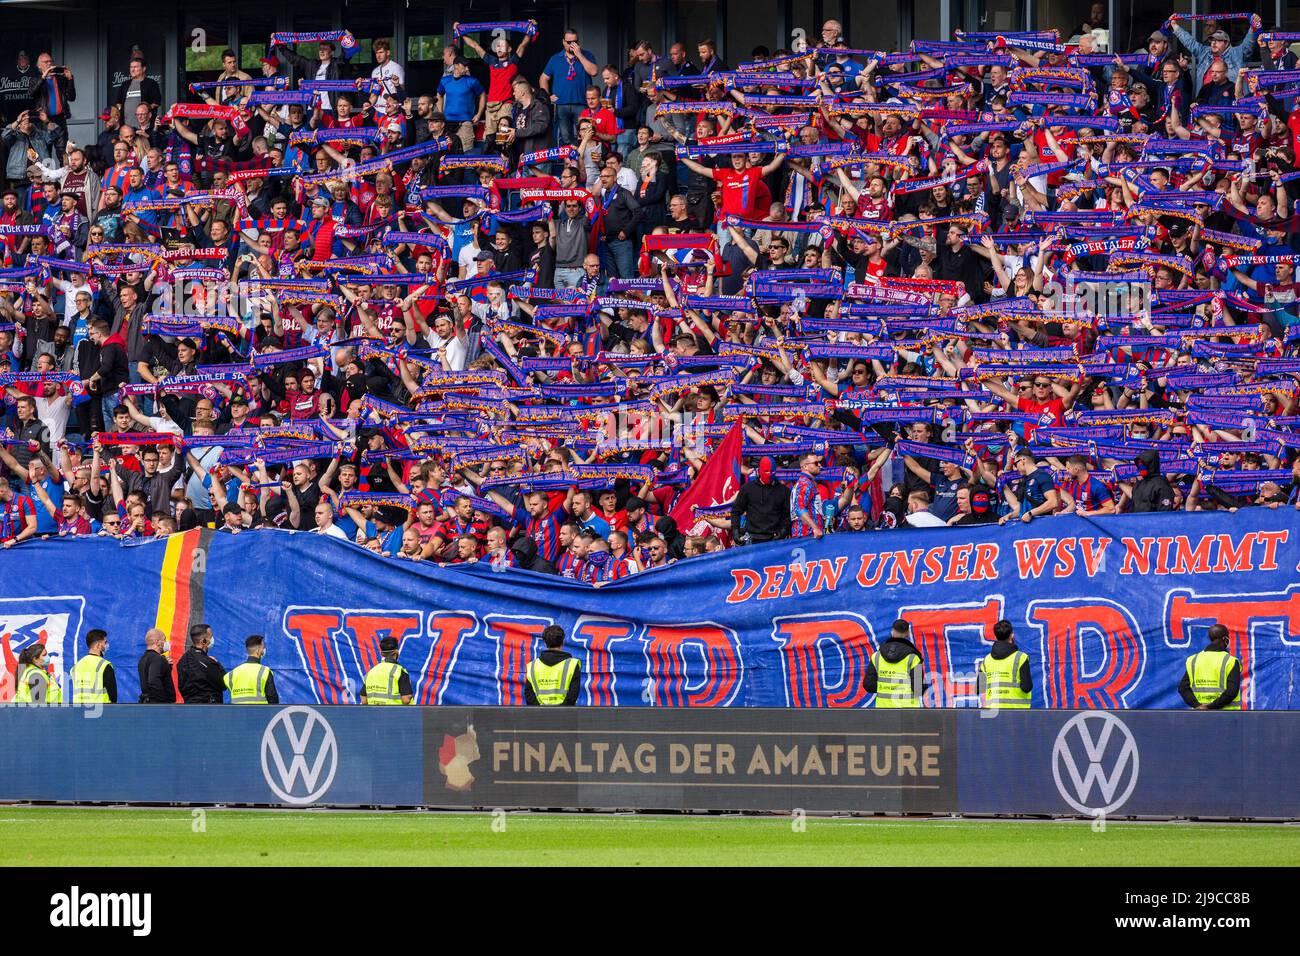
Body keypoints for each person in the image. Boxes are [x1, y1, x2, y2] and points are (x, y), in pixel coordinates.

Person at [863, 620, 927, 708]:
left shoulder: (877, 656)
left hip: (883, 710)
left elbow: (869, 685)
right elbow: (918, 689)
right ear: (907, 633)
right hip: (908, 710)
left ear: (892, 631)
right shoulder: (913, 658)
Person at [1179, 624, 1242, 710]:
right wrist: (1210, 707)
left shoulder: (1194, 660)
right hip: (1227, 716)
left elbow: (1183, 688)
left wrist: (1198, 706)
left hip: (1200, 716)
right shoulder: (1230, 661)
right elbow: (1231, 692)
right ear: (1225, 638)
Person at [730, 456, 791, 543]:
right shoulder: (747, 489)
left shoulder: (784, 491)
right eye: (766, 471)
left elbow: (788, 515)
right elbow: (736, 511)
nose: (769, 474)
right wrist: (735, 531)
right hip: (752, 537)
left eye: (772, 471)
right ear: (759, 470)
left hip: (774, 538)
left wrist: (783, 531)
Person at [977, 620, 1032, 709]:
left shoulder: (986, 661)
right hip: (1017, 714)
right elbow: (1027, 687)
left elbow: (980, 688)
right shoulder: (1021, 658)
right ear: (1012, 635)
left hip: (993, 714)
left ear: (996, 637)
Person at [524, 624, 581, 706]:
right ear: (563, 642)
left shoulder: (532, 666)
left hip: (539, 716)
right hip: (565, 716)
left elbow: (529, 695)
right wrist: (561, 711)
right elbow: (573, 695)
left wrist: (540, 710)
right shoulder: (572, 664)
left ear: (545, 643)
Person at [177, 623, 226, 704]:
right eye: (210, 637)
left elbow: (182, 687)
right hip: (209, 708)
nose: (212, 639)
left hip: (189, 706)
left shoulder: (182, 661)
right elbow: (223, 683)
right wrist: (217, 664)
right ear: (203, 641)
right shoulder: (207, 662)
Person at [224, 634, 279, 704]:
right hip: (260, 714)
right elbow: (273, 700)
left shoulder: (232, 674)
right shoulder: (265, 672)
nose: (264, 650)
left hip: (237, 714)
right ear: (258, 651)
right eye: (263, 647)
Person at [360, 635, 412, 704]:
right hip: (395, 713)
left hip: (374, 714)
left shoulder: (371, 672)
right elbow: (406, 699)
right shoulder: (399, 671)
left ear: (381, 653)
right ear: (396, 652)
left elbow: (363, 700)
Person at [71, 628, 116, 704]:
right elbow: (113, 697)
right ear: (98, 645)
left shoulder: (75, 667)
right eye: (105, 642)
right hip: (101, 713)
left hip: (78, 713)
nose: (107, 645)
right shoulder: (105, 666)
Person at [137, 627, 175, 703]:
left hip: (147, 703)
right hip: (158, 706)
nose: (166, 643)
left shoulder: (143, 659)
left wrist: (167, 667)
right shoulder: (158, 659)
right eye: (164, 639)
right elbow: (153, 681)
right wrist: (162, 702)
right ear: (158, 642)